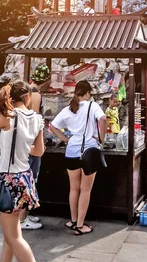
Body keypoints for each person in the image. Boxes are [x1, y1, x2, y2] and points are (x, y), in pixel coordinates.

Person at [0, 80, 44, 262]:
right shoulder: (37, 119)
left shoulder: (8, 116)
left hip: (7, 179)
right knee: (9, 236)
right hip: (24, 178)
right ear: (27, 97)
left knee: (14, 237)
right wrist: (22, 147)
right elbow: (38, 151)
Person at [49, 80, 107, 236]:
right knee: (85, 189)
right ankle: (80, 225)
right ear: (88, 93)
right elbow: (103, 120)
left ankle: (73, 220)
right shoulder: (92, 105)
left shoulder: (68, 109)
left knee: (73, 188)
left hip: (72, 151)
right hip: (90, 151)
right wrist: (101, 139)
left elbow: (52, 126)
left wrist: (65, 139)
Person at [21, 63, 52, 230]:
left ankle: (26, 215)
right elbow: (33, 118)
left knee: (29, 178)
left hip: (26, 141)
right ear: (45, 80)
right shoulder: (36, 94)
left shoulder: (27, 91)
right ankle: (22, 218)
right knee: (30, 178)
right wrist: (39, 141)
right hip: (31, 143)